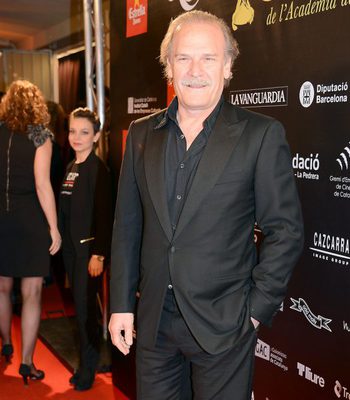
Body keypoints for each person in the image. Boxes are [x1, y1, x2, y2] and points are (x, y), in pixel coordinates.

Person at [109, 10, 304, 399]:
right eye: (183, 57)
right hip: (153, 325)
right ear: (169, 65)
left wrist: (253, 311)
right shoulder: (143, 134)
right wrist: (120, 305)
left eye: (208, 58)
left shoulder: (260, 135)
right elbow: (127, 226)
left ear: (228, 66)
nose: (194, 69)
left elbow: (286, 230)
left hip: (225, 324)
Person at [0, 80, 61, 384]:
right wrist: (54, 227)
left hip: (1, 218)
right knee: (32, 293)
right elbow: (42, 185)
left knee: (1, 288)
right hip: (30, 222)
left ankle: (6, 344)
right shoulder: (40, 135)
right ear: (37, 103)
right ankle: (26, 362)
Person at [58, 107, 112, 391]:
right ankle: (85, 365)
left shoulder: (97, 170)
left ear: (96, 136)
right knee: (80, 311)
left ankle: (88, 370)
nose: (77, 137)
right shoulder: (71, 169)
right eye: (72, 131)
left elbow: (104, 216)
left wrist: (99, 254)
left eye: (84, 132)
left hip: (89, 254)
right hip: (71, 254)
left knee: (86, 313)